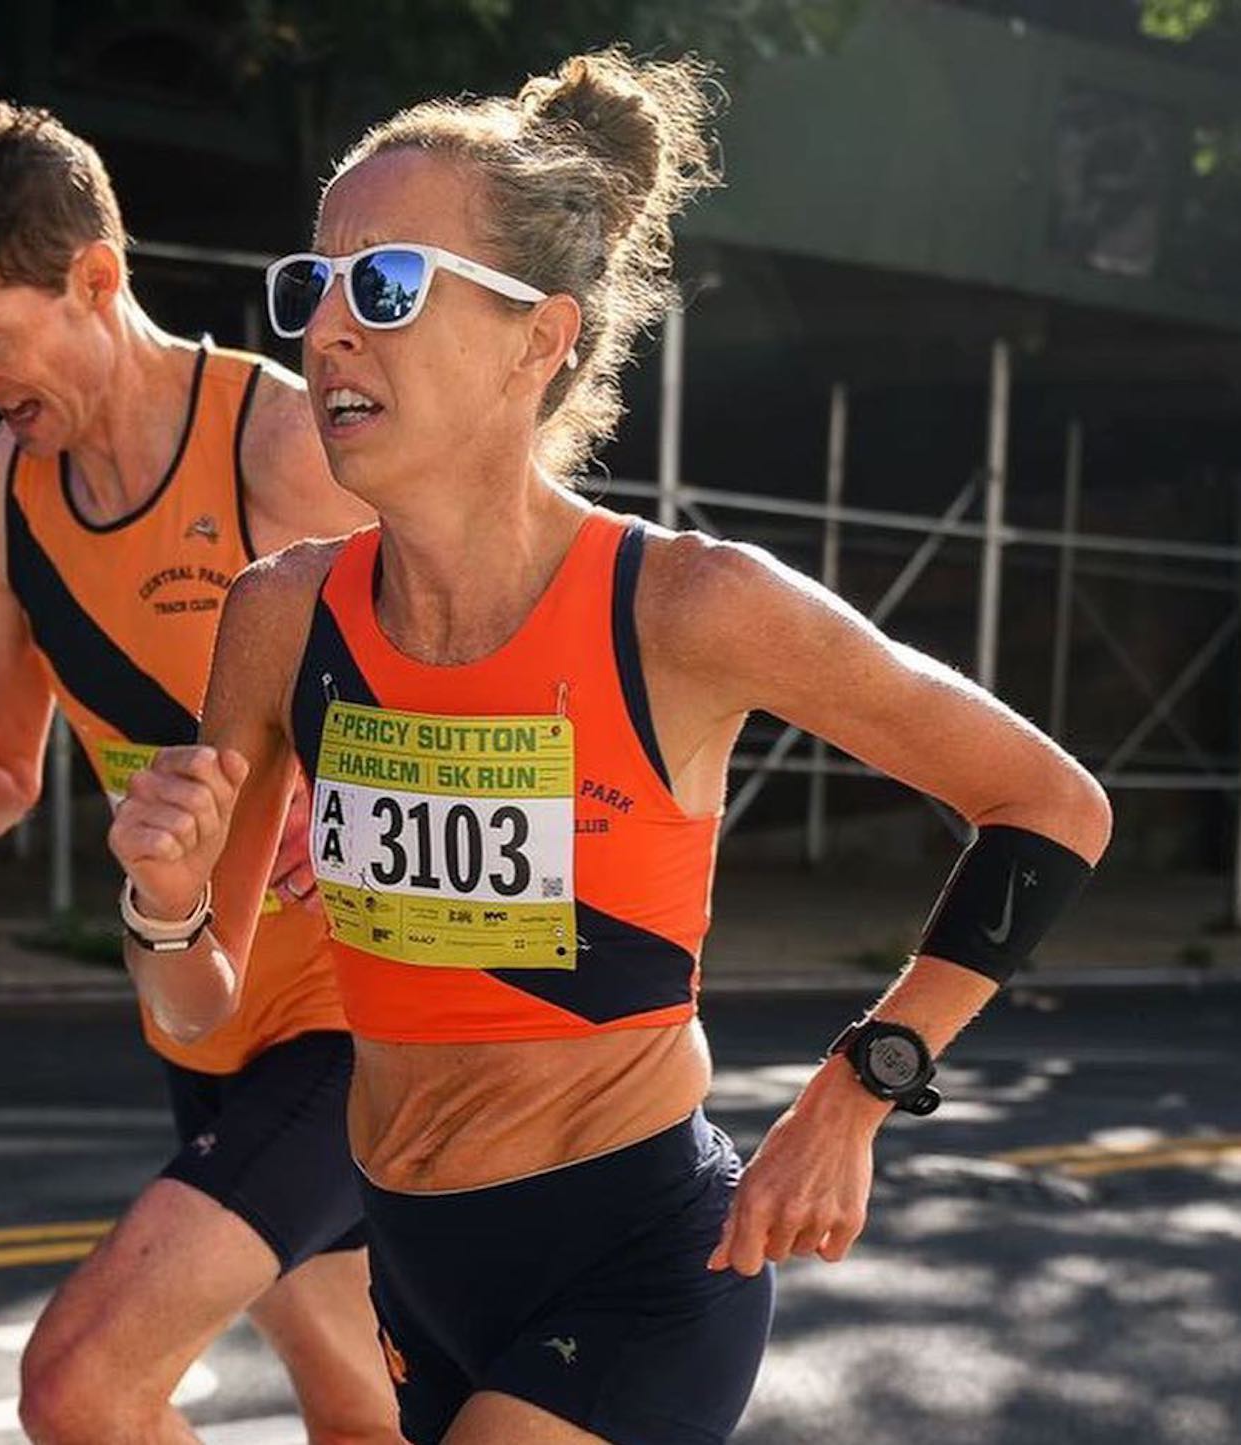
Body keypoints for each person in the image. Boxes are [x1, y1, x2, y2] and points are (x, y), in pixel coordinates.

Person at [109, 49, 1113, 1445]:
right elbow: (195, 1011)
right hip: (415, 1263)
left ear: (539, 339)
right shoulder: (283, 616)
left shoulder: (690, 606)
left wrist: (859, 1089)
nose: (327, 330)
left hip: (635, 1258)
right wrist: (161, 901)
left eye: (383, 286)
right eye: (314, 285)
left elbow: (1048, 803)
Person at [0, 99, 398, 1445]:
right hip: (201, 1018)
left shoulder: (278, 445)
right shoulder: (3, 489)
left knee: (79, 1385)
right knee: (363, 1418)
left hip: (363, 1022)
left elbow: (483, 682)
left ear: (96, 278)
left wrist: (353, 794)